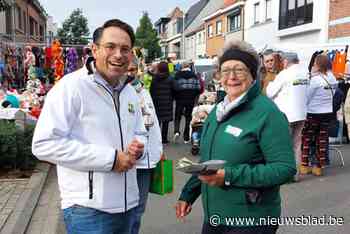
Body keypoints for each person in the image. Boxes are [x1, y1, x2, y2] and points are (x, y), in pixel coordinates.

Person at [32, 19, 146, 234]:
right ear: (94, 49)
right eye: (110, 47)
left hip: (128, 204)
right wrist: (110, 159)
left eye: (125, 49)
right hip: (89, 210)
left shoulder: (129, 91)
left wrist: (139, 146)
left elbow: (140, 131)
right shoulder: (71, 87)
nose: (118, 54)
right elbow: (44, 144)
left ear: (131, 54)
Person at [175, 40, 296, 234]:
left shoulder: (267, 113)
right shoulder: (217, 111)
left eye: (239, 70)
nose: (231, 77)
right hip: (215, 216)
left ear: (252, 74)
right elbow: (207, 162)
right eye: (225, 70)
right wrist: (188, 194)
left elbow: (285, 169)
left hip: (251, 220)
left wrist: (229, 176)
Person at [127, 58, 162, 234]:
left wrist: (158, 150)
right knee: (128, 211)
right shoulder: (120, 92)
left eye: (133, 69)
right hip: (130, 161)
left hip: (147, 161)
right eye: (127, 69)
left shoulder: (143, 91)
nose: (130, 73)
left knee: (139, 210)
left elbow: (153, 122)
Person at [266, 52, 308, 181]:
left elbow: (269, 93)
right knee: (296, 145)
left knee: (283, 146)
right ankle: (294, 175)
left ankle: (285, 174)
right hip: (301, 114)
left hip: (286, 115)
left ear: (285, 62)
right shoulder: (305, 74)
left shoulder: (284, 74)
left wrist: (269, 84)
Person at [301, 54, 337, 176]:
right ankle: (318, 167)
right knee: (321, 140)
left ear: (318, 65)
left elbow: (307, 96)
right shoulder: (333, 78)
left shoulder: (315, 80)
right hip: (327, 112)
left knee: (307, 138)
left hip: (313, 113)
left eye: (315, 63)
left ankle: (304, 165)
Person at [173, 61, 201, 144]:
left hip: (180, 99)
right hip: (190, 99)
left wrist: (175, 96)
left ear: (182, 67)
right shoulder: (194, 75)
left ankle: (177, 131)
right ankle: (186, 137)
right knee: (188, 117)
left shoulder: (177, 75)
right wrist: (194, 95)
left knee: (177, 116)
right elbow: (198, 88)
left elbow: (174, 87)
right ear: (189, 66)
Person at [150, 61, 174, 144]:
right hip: (167, 101)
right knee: (165, 122)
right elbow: (173, 90)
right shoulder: (170, 78)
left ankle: (157, 138)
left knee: (157, 121)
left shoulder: (155, 78)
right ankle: (164, 139)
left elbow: (151, 90)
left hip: (157, 102)